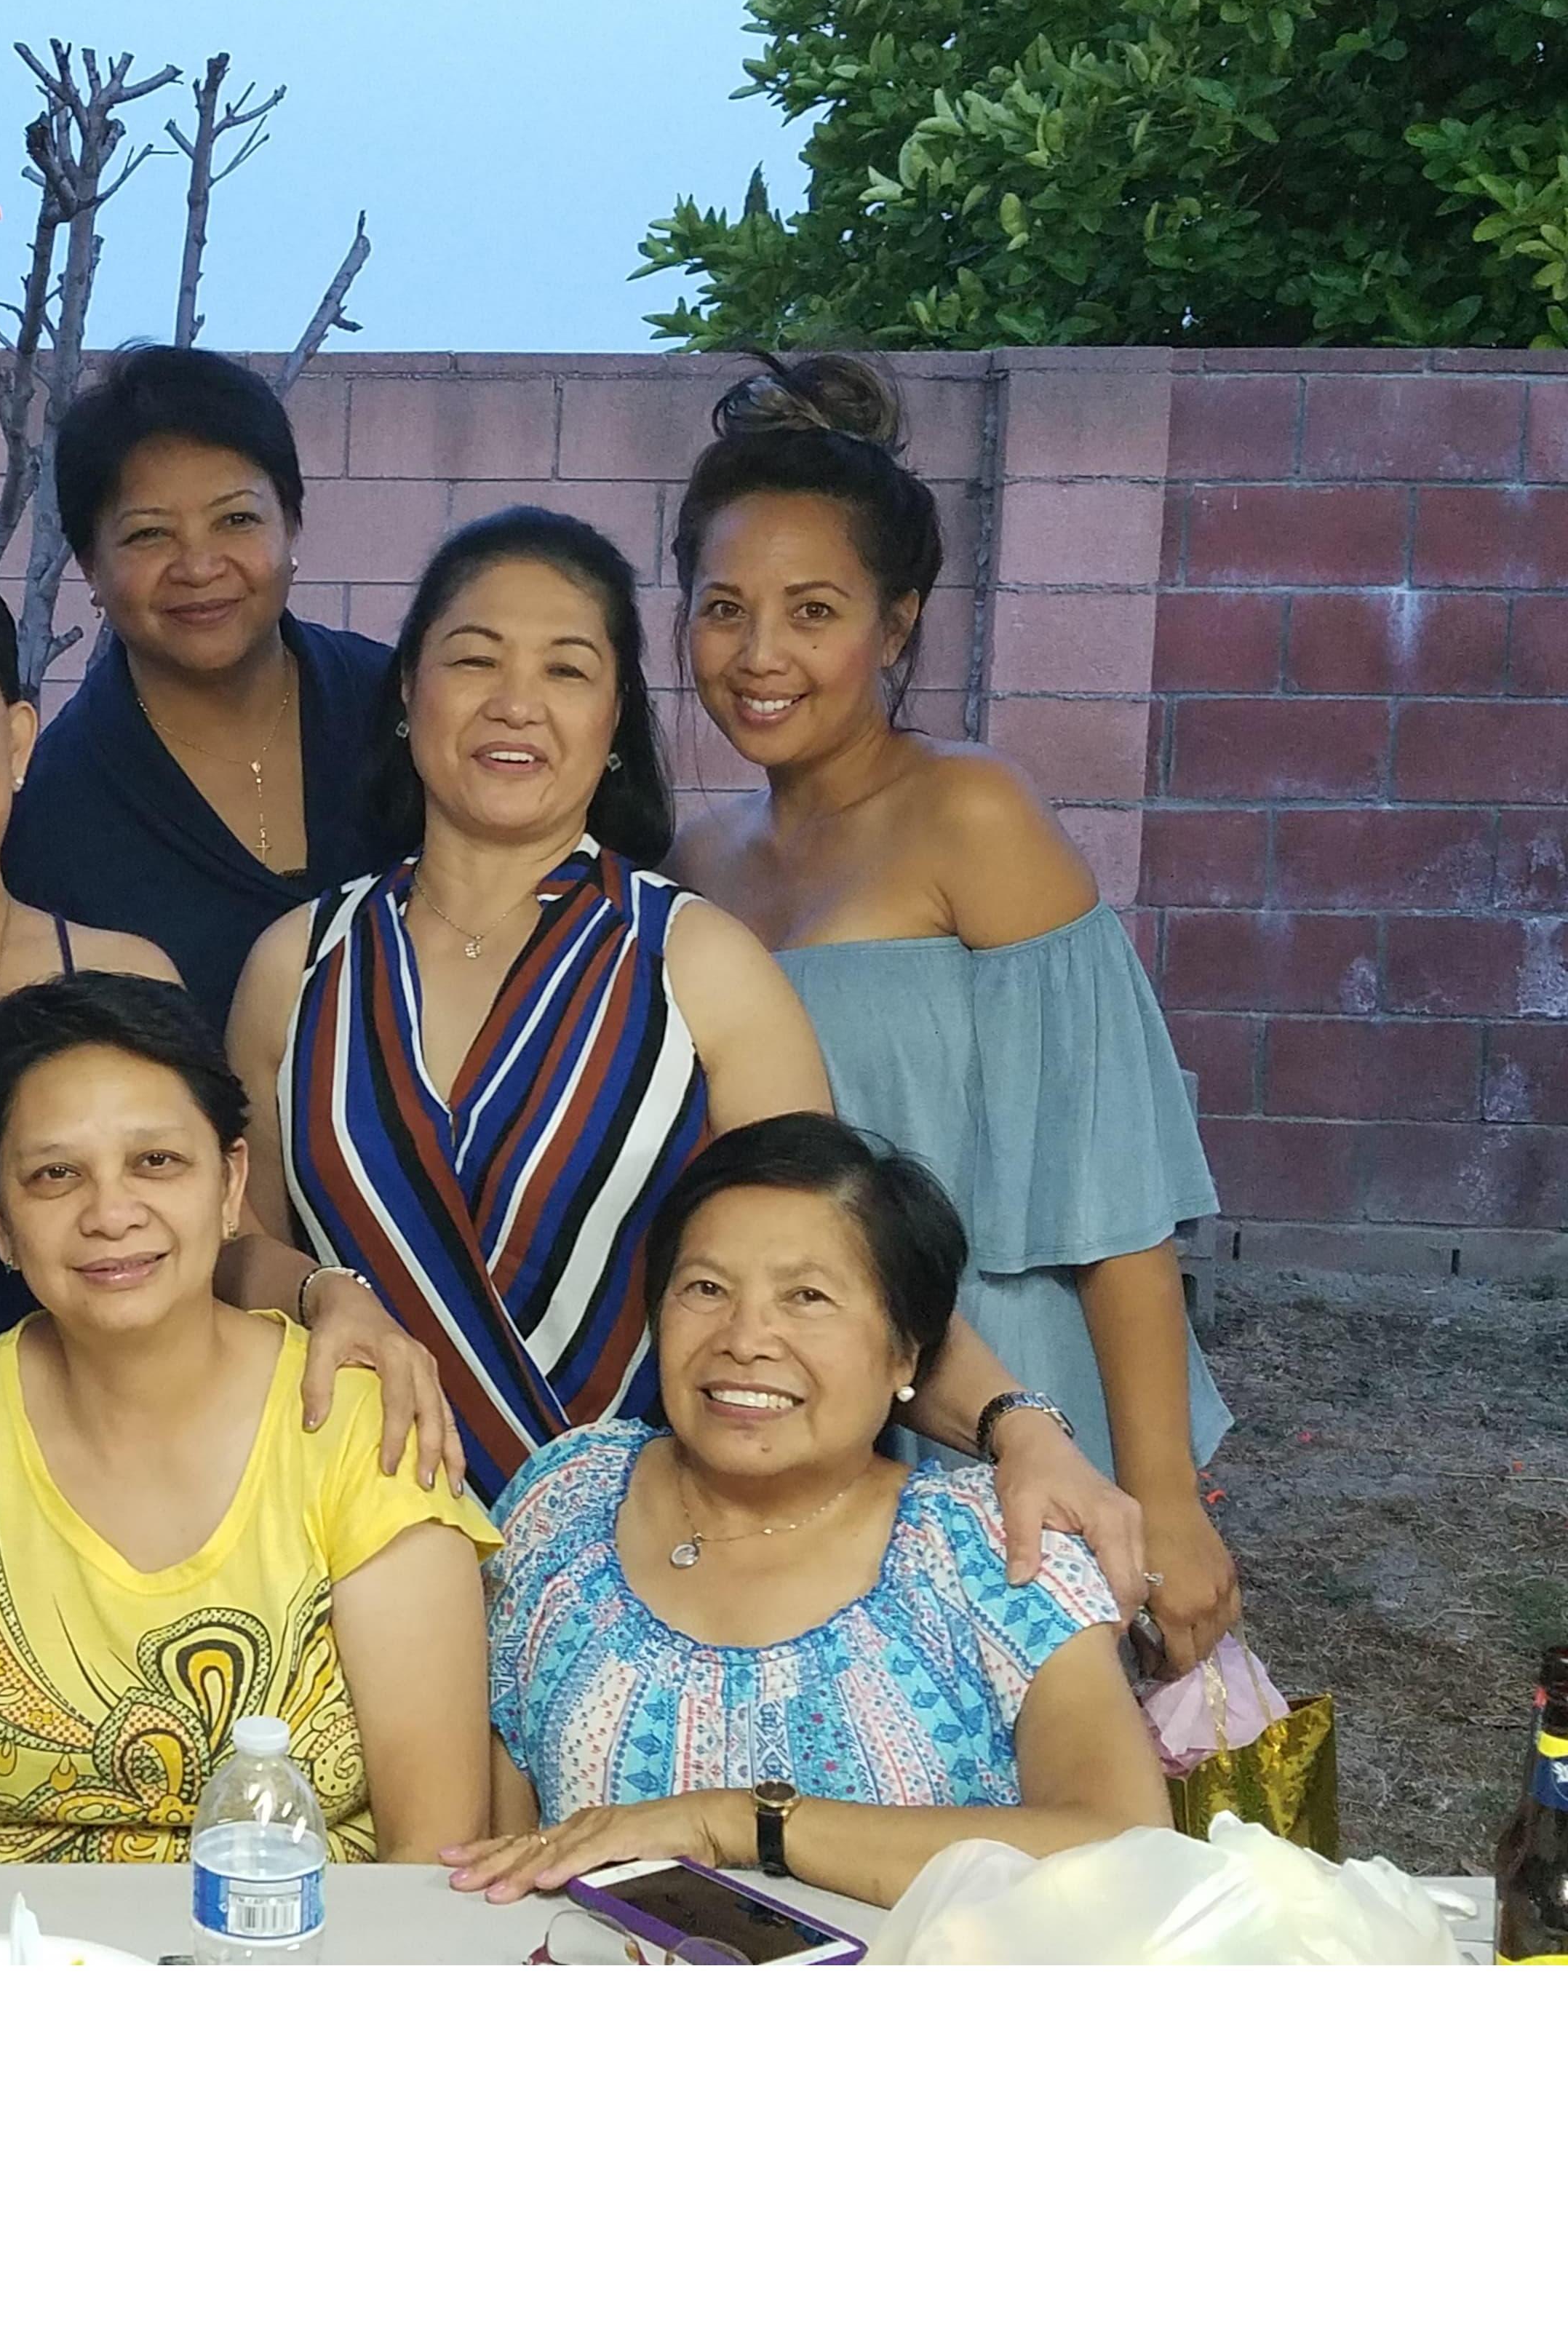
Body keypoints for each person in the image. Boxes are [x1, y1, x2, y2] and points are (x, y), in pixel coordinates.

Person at [228, 506, 1147, 1595]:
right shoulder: (299, 962)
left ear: (616, 717)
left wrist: (1017, 1425)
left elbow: (841, 1270)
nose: (515, 702)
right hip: (357, 1553)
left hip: (631, 1577)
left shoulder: (696, 961)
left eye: (567, 670)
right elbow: (233, 1249)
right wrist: (324, 1291)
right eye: (473, 659)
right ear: (406, 694)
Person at [667, 353, 1239, 1674]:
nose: (760, 655)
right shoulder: (695, 864)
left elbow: (1116, 1199)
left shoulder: (973, 815)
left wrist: (1163, 1495)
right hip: (795, 1404)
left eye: (813, 611)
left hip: (1011, 1416)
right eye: (723, 609)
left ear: (898, 623)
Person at [0, 552, 466, 1491]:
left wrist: (330, 1294)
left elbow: (222, 1238)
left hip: (83, 1504)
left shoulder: (122, 976)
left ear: (18, 739)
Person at [451, 1115, 1170, 1910]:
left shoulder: (992, 1551)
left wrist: (741, 1823)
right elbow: (500, 1856)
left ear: (905, 1353)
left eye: (807, 1297)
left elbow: (1125, 1849)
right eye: (706, 1289)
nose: (746, 1338)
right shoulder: (568, 1502)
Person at [0, 973, 495, 1865]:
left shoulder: (359, 1424)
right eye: (56, 1174)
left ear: (231, 1186)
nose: (111, 1213)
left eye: (157, 1162)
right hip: (5, 1946)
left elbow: (436, 1854)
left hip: (320, 1943)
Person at [1, 343, 399, 1030]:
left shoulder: (403, 712)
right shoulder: (48, 815)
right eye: (149, 535)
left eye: (236, 520)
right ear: (91, 566)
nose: (199, 566)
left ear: (291, 524)